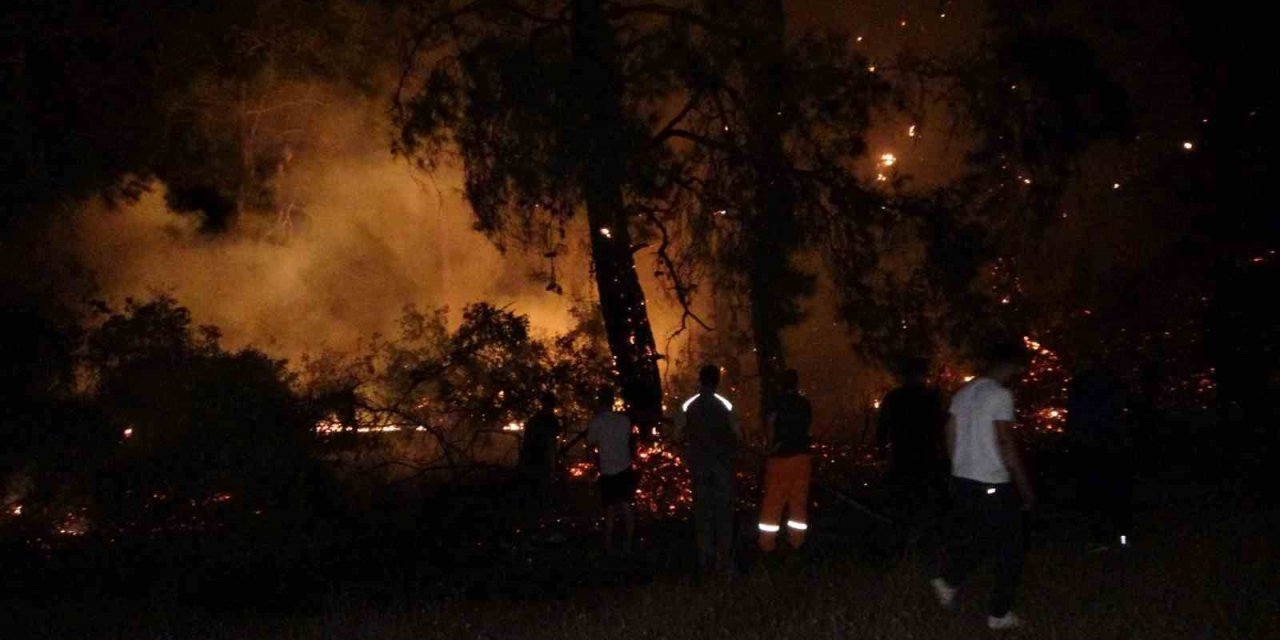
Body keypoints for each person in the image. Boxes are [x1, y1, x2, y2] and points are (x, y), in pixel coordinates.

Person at [931, 341, 1033, 631]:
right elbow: (1004, 441)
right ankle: (998, 614)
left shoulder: (964, 392)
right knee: (1013, 547)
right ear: (1013, 366)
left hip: (965, 480)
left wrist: (957, 467)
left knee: (984, 537)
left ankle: (949, 581)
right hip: (993, 482)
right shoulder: (1000, 395)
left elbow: (949, 431)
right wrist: (1023, 486)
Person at [673, 364, 741, 574]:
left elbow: (677, 433)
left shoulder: (689, 405)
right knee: (723, 512)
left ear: (700, 380)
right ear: (717, 381)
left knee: (703, 512)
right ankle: (725, 559)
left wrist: (685, 449)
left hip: (699, 465)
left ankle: (705, 558)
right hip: (722, 466)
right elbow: (738, 433)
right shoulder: (725, 404)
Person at [876, 357, 947, 543]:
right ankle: (920, 540)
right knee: (922, 501)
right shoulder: (929, 397)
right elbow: (941, 427)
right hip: (923, 457)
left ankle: (906, 541)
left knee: (905, 502)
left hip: (904, 458)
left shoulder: (894, 398)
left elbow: (882, 429)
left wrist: (881, 451)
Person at [1066, 360, 1132, 552]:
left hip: (1096, 446)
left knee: (1096, 494)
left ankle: (1105, 537)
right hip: (1105, 446)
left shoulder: (1082, 385)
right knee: (1113, 493)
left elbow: (1075, 419)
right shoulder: (1109, 383)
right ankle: (1118, 535)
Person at [757, 369, 813, 553]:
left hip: (780, 458)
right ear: (796, 384)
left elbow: (771, 425)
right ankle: (797, 543)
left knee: (773, 503)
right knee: (798, 502)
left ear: (780, 385)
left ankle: (767, 546)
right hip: (802, 458)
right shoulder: (805, 404)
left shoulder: (775, 404)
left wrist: (769, 446)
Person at [586, 387, 636, 554]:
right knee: (627, 506)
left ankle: (607, 546)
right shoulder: (624, 421)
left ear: (600, 402)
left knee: (609, 509)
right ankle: (628, 544)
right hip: (625, 467)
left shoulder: (596, 422)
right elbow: (629, 442)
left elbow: (591, 445)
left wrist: (594, 465)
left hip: (607, 470)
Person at [518, 392, 561, 512]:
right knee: (542, 493)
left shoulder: (534, 420)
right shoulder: (551, 421)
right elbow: (551, 445)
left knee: (532, 493)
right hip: (541, 461)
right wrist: (553, 467)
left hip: (529, 460)